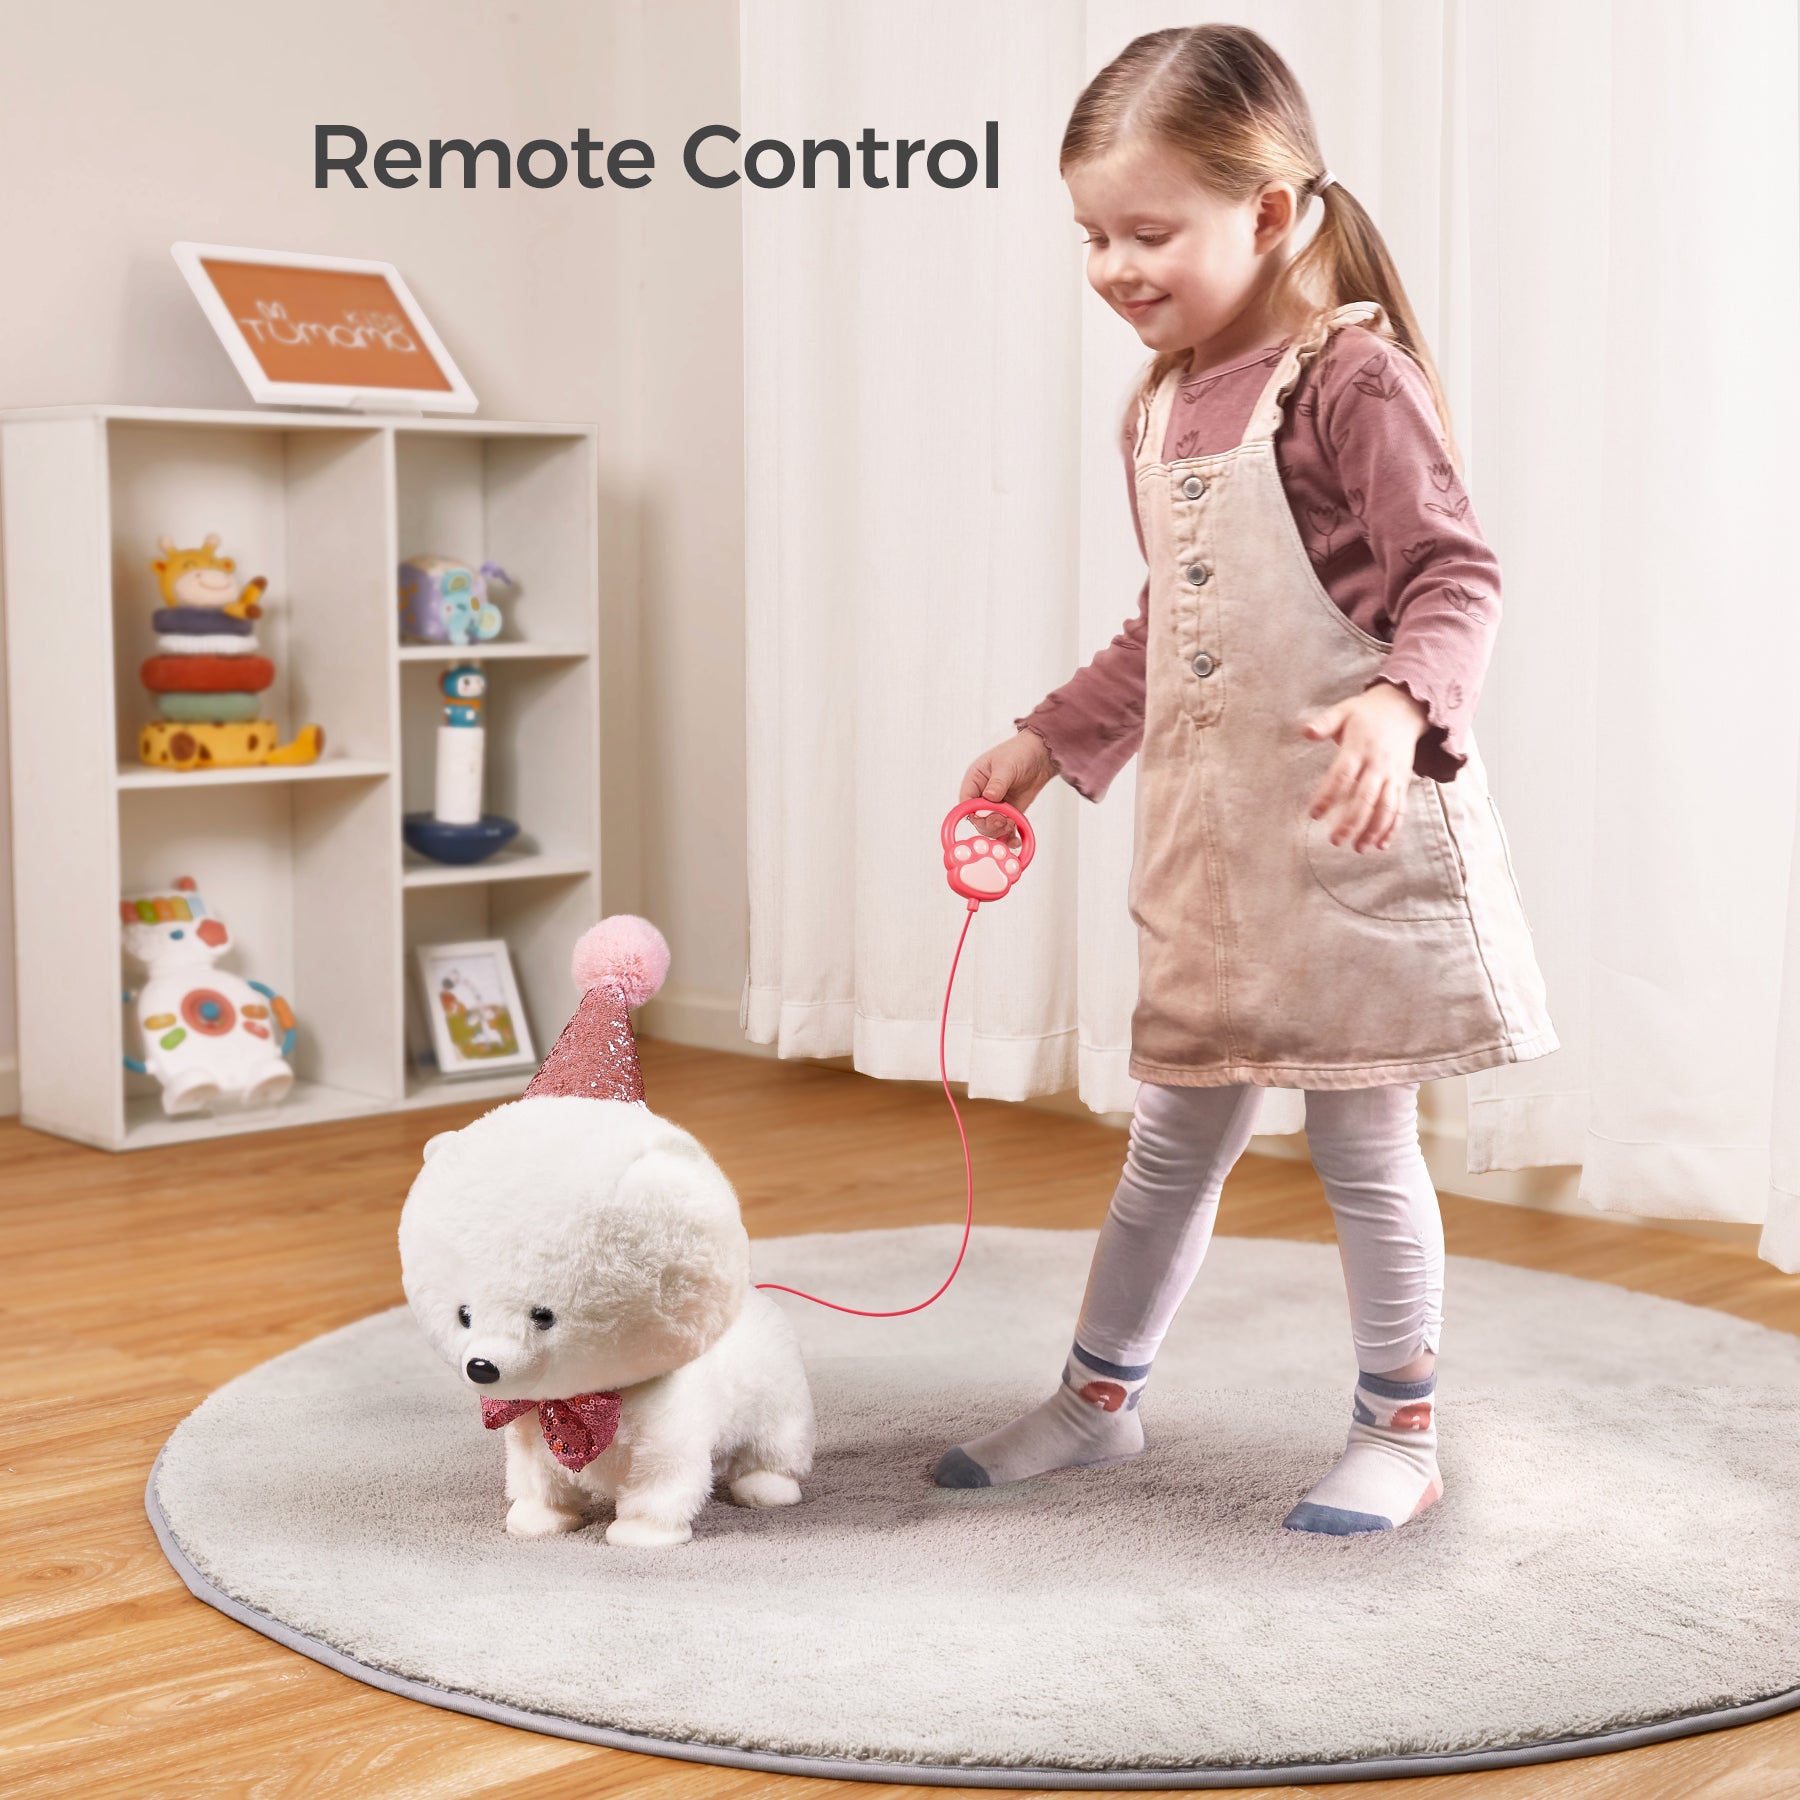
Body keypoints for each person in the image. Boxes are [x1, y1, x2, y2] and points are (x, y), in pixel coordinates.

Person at [932, 23, 1559, 1535]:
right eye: (1092, 234)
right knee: (1175, 1136)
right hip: (1211, 847)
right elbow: (1172, 626)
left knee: (1362, 1140)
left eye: (1149, 231)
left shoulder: (1352, 379)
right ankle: (1098, 1401)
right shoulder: (1157, 404)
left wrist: (1402, 713)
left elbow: (1455, 576)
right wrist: (1049, 735)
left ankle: (1399, 1433)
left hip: (1353, 831)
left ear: (1268, 213)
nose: (1113, 265)